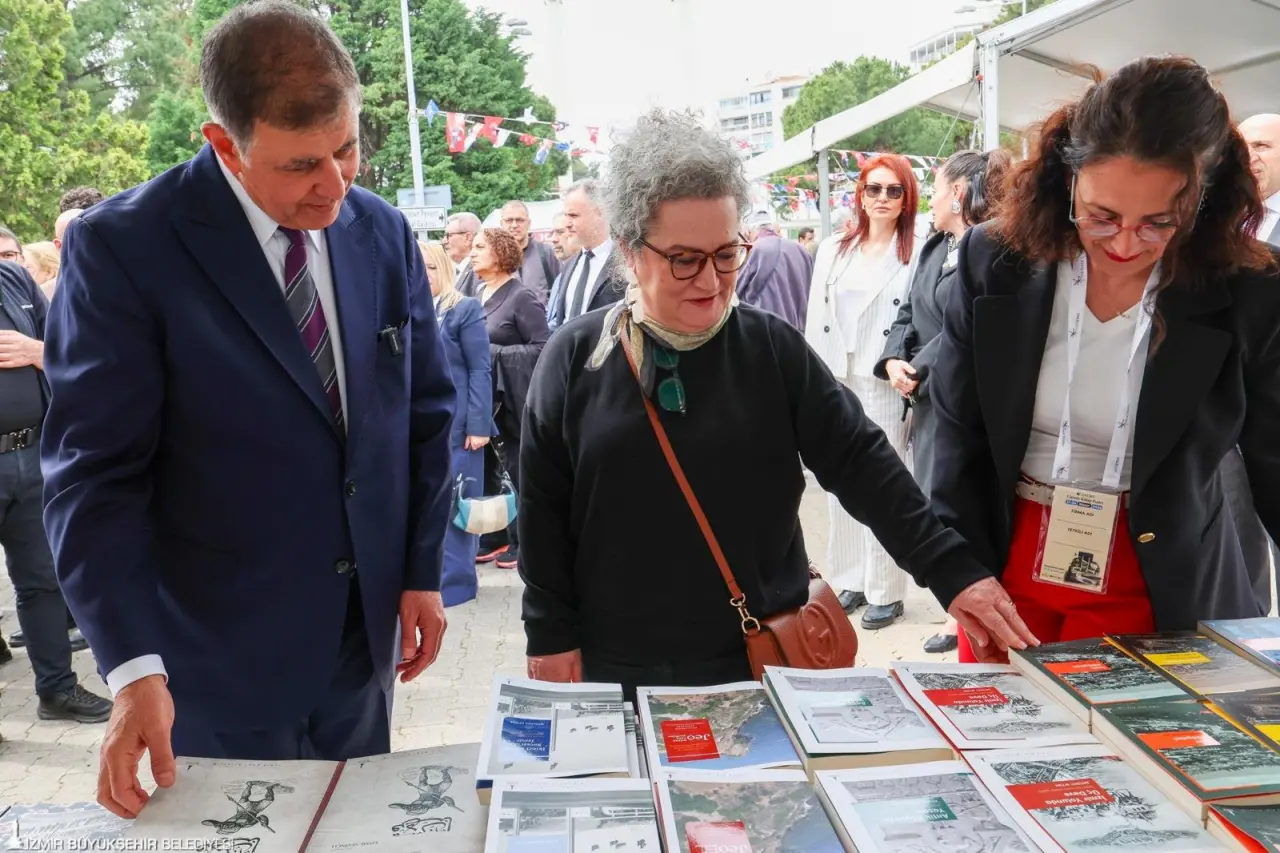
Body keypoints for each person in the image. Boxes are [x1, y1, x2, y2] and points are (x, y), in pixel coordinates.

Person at [42, 0, 455, 817]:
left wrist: (419, 570)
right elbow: (95, 478)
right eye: (302, 164)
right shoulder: (126, 247)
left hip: (360, 649)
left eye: (347, 149)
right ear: (223, 143)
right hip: (211, 662)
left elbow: (423, 410)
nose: (335, 185)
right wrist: (133, 667)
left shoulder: (380, 232)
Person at [517, 110, 1032, 703]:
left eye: (726, 254)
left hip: (761, 655)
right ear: (632, 252)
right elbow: (542, 510)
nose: (710, 280)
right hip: (619, 664)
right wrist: (548, 633)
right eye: (684, 259)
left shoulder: (769, 347)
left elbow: (862, 463)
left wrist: (953, 573)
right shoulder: (577, 357)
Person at [929, 56, 1280, 664]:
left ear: (1202, 200)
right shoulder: (997, 260)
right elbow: (955, 430)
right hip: (1005, 564)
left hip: (1160, 569)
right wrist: (955, 568)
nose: (1123, 243)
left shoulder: (1248, 289)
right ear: (1068, 179)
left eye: (1159, 223)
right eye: (1101, 216)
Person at [875, 149, 1013, 653]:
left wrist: (920, 368)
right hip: (924, 397)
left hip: (959, 396)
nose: (928, 202)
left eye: (933, 190)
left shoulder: (995, 250)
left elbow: (963, 326)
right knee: (936, 499)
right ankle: (958, 606)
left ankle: (965, 615)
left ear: (957, 192)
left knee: (960, 502)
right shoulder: (935, 248)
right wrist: (894, 359)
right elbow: (908, 312)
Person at [804, 154, 920, 630]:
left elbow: (917, 316)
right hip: (837, 371)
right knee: (838, 480)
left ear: (907, 198)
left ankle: (886, 588)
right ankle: (849, 577)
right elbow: (816, 313)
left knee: (884, 481)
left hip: (884, 376)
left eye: (894, 190)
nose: (882, 199)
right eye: (874, 188)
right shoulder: (834, 248)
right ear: (860, 194)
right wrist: (810, 375)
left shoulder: (916, 251)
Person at [0, 257, 112, 722]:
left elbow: (65, 348)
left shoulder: (12, 277)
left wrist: (35, 350)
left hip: (31, 453)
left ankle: (57, 690)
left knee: (43, 581)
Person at [420, 241, 492, 607]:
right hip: (421, 425)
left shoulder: (464, 308)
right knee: (427, 504)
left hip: (461, 426)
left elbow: (480, 368)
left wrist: (479, 425)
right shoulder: (408, 309)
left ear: (445, 269)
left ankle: (458, 585)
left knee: (459, 505)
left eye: (432, 267)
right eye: (418, 267)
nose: (425, 274)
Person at [474, 227, 549, 570]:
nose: (473, 252)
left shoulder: (522, 297)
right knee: (488, 470)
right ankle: (494, 534)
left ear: (501, 253)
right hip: (484, 399)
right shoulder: (479, 291)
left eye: (480, 247)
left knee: (517, 471)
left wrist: (494, 353)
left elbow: (542, 348)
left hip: (512, 400)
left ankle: (525, 541)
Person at [547, 180, 624, 331]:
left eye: (573, 215)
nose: (566, 223)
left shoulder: (626, 262)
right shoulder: (569, 265)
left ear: (600, 213)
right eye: (566, 215)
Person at [735, 212, 813, 330]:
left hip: (766, 329)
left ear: (750, 231)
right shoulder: (802, 251)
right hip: (799, 329)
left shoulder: (753, 250)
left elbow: (736, 291)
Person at [500, 200, 560, 301]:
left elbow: (561, 287)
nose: (514, 225)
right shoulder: (495, 257)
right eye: (509, 220)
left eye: (520, 220)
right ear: (501, 224)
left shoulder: (546, 253)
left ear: (529, 223)